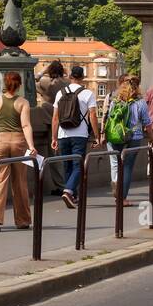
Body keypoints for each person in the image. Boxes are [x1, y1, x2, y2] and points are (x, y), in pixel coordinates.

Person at [0, 71, 39, 231]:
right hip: (19, 142)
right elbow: (26, 125)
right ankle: (23, 220)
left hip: (0, 141)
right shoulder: (23, 102)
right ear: (19, 85)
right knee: (20, 181)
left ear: (4, 85)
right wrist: (31, 145)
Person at [51, 64, 100, 209]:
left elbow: (55, 118)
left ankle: (73, 195)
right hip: (80, 134)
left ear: (71, 76)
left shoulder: (60, 93)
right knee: (78, 165)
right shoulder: (87, 94)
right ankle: (69, 191)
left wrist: (54, 138)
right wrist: (96, 135)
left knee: (67, 165)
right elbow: (92, 115)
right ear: (83, 78)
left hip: (63, 133)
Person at [106, 75, 153, 201]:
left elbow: (109, 118)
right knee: (127, 166)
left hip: (116, 135)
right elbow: (147, 123)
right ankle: (122, 198)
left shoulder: (115, 100)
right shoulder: (140, 102)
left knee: (116, 163)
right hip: (134, 136)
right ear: (136, 87)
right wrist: (151, 138)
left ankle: (116, 183)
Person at [36, 61, 69, 195]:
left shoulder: (46, 82)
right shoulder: (67, 83)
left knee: (55, 155)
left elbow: (30, 81)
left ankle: (61, 186)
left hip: (52, 122)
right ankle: (70, 184)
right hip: (67, 120)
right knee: (67, 154)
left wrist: (42, 71)